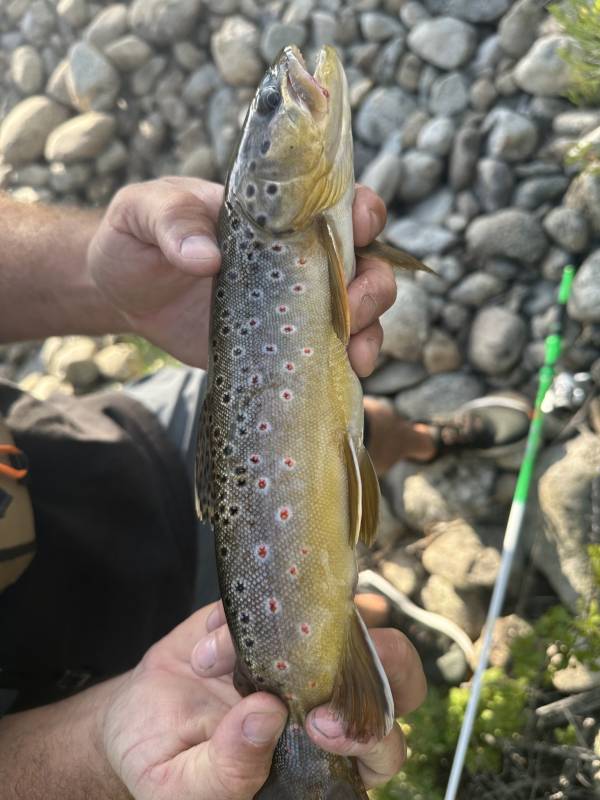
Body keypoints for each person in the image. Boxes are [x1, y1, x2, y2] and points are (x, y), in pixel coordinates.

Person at [0, 178, 427, 800]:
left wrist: (105, 280)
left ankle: (424, 440)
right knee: (350, 665)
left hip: (115, 453)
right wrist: (100, 744)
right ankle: (366, 628)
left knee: (351, 429)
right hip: (107, 703)